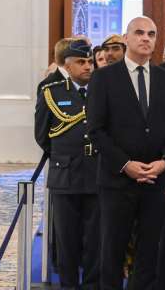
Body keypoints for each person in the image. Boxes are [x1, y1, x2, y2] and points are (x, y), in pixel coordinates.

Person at [86, 16, 165, 290]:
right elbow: (96, 130)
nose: (145, 38)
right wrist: (125, 164)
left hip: (155, 182)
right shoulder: (104, 78)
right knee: (111, 253)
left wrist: (164, 163)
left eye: (151, 34)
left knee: (149, 254)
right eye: (139, 33)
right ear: (126, 38)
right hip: (117, 181)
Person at [35, 39, 99, 290]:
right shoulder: (52, 92)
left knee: (96, 240)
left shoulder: (101, 91)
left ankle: (93, 285)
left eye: (90, 62)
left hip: (96, 174)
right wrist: (64, 156)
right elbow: (42, 135)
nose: (87, 67)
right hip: (65, 177)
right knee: (67, 240)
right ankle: (69, 286)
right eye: (81, 63)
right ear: (68, 65)